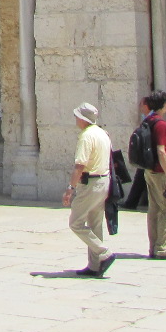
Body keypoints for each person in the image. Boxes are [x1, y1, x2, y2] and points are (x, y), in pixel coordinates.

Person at [63, 103, 114, 277]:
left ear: (83, 119)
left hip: (90, 183)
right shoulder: (102, 133)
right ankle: (94, 265)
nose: (76, 119)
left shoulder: (86, 136)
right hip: (103, 181)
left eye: (77, 116)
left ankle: (103, 252)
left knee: (75, 222)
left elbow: (80, 165)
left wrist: (70, 188)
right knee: (96, 223)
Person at [140, 90, 166, 259]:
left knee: (154, 209)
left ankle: (153, 246)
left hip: (149, 170)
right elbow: (161, 151)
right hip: (160, 171)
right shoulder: (161, 124)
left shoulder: (147, 120)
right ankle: (162, 248)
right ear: (164, 105)